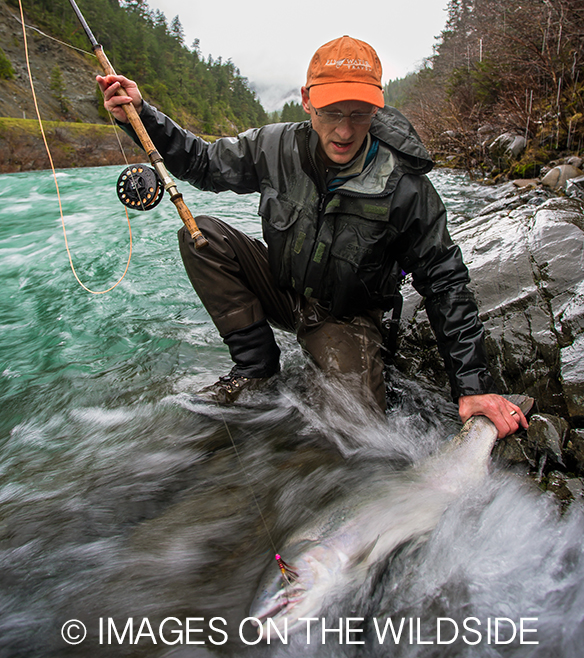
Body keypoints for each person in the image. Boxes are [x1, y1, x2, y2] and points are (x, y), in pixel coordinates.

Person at [98, 35, 528, 438]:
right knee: (203, 236)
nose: (345, 130)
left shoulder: (404, 184)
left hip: (347, 318)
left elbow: (444, 278)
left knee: (354, 433)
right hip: (283, 289)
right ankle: (256, 367)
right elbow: (203, 163)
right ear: (307, 101)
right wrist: (143, 114)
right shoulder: (273, 146)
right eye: (331, 111)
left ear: (377, 108)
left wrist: (472, 385)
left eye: (359, 112)